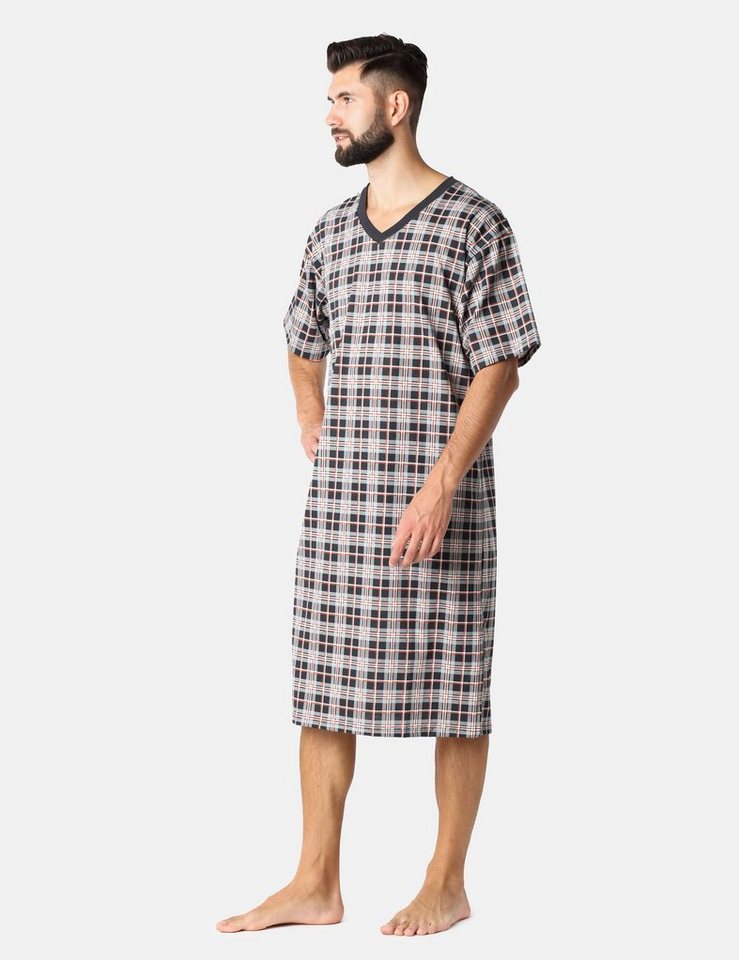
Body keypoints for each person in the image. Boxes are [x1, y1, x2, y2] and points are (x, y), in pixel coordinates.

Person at [217, 32, 542, 938]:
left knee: (454, 685)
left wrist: (441, 485)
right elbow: (301, 336)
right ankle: (314, 882)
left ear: (393, 107)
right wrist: (307, 406)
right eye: (329, 99)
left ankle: (446, 882)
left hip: (439, 499)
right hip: (341, 504)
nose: (328, 113)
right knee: (322, 684)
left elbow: (500, 366)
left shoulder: (474, 222)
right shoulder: (329, 230)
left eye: (343, 98)